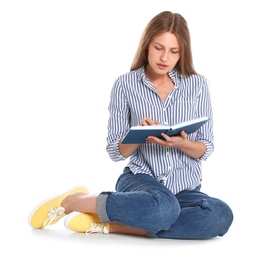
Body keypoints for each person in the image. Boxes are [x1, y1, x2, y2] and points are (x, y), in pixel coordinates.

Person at [28, 10, 233, 239]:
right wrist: (139, 134)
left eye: (174, 51)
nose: (165, 58)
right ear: (147, 45)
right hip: (140, 183)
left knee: (220, 215)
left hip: (185, 190)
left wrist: (181, 143)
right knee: (164, 208)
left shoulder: (197, 85)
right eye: (158, 48)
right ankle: (74, 201)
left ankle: (112, 225)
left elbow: (206, 147)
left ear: (182, 53)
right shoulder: (125, 85)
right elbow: (116, 152)